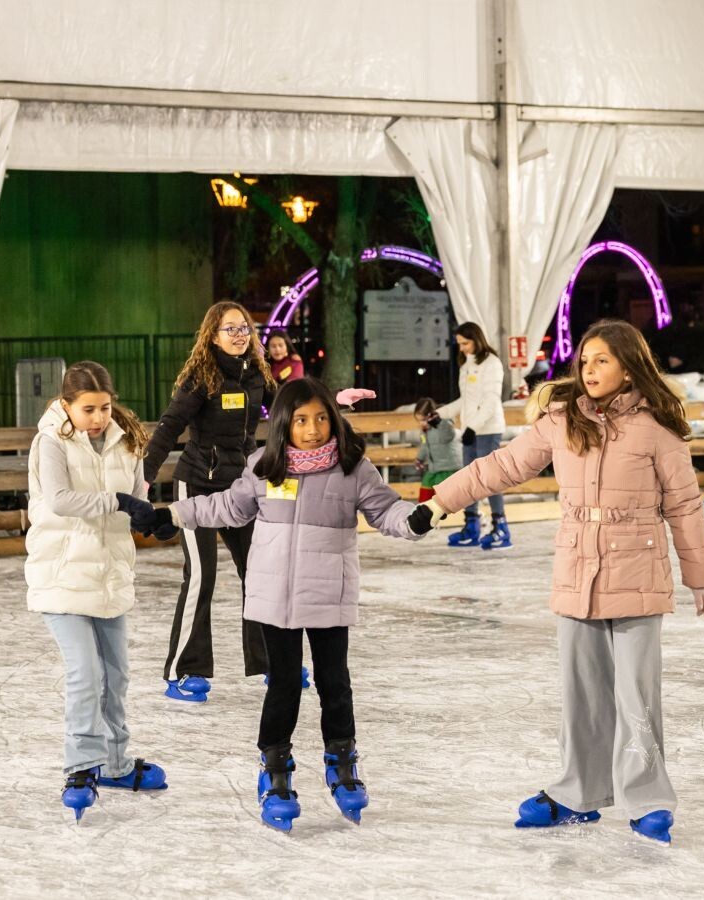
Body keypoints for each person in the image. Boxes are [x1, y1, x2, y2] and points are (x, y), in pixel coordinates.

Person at [425, 319, 704, 845]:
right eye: (585, 360)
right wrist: (442, 498)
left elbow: (684, 505)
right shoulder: (562, 420)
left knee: (636, 694)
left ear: (629, 365)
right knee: (581, 693)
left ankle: (647, 798)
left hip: (638, 572)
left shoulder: (656, 427)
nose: (589, 369)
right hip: (578, 570)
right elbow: (502, 466)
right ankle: (577, 794)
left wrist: (699, 576)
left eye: (602, 360)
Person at [158, 377, 426, 832]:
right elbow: (228, 507)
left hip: (328, 594)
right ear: (285, 421)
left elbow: (386, 511)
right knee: (282, 685)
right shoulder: (266, 465)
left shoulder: (352, 467)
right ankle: (275, 767)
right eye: (302, 419)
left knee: (334, 681)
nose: (313, 428)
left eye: (322, 417)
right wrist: (175, 514)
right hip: (275, 598)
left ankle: (342, 760)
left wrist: (415, 519)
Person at [26, 361, 171, 820]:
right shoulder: (51, 441)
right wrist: (120, 502)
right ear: (66, 404)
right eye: (88, 409)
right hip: (62, 574)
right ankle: (81, 766)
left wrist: (151, 517)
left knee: (116, 675)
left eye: (105, 407)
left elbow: (135, 493)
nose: (98, 417)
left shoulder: (126, 440)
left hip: (108, 574)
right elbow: (60, 500)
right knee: (85, 674)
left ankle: (115, 763)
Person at [143, 301, 278, 704]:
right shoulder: (202, 377)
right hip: (198, 485)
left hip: (241, 488)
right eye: (230, 329)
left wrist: (331, 399)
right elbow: (169, 427)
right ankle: (185, 670)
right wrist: (143, 478)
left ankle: (272, 660)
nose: (239, 336)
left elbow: (292, 405)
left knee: (259, 574)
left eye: (245, 329)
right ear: (213, 335)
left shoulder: (257, 375)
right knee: (202, 578)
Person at [438, 322, 508, 550]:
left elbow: (490, 401)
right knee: (469, 478)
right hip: (472, 430)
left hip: (487, 430)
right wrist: (439, 414)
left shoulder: (492, 364)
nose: (462, 348)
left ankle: (501, 527)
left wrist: (472, 428)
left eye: (465, 343)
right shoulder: (466, 365)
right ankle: (472, 525)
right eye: (459, 344)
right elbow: (465, 400)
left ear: (477, 340)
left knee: (490, 478)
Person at [412, 397, 461, 503]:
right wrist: (419, 459)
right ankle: (424, 512)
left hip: (449, 468)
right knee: (426, 488)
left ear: (431, 416)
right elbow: (425, 446)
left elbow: (447, 437)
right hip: (434, 469)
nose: (422, 423)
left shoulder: (443, 425)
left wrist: (440, 422)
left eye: (424, 420)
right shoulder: (425, 431)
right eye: (419, 420)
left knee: (446, 498)